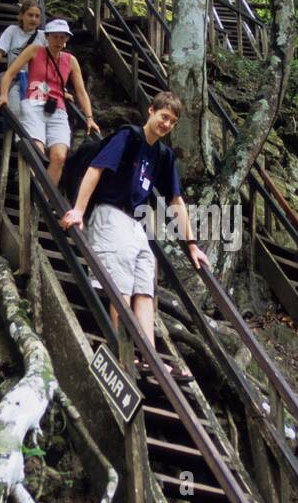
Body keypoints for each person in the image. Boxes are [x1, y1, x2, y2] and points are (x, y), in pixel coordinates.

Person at [59, 92, 209, 369]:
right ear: (151, 111)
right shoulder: (127, 137)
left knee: (144, 287)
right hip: (109, 214)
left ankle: (149, 356)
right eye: (164, 117)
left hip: (134, 223)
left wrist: (191, 245)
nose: (166, 124)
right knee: (121, 282)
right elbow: (96, 169)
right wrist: (79, 210)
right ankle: (124, 351)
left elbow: (176, 201)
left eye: (172, 122)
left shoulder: (163, 155)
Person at [0, 17, 99, 186]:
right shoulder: (35, 50)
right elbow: (10, 73)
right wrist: (3, 95)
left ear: (67, 39)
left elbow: (81, 91)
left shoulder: (70, 60)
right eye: (55, 36)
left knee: (59, 156)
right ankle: (31, 191)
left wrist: (89, 117)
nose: (59, 41)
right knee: (36, 151)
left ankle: (44, 199)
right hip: (32, 105)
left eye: (63, 37)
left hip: (57, 109)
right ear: (47, 36)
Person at [0, 0, 43, 118]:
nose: (33, 19)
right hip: (15, 79)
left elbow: (54, 63)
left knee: (36, 116)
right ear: (21, 16)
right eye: (30, 15)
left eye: (37, 16)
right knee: (15, 112)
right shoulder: (12, 31)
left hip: (36, 83)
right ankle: (14, 136)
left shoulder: (43, 37)